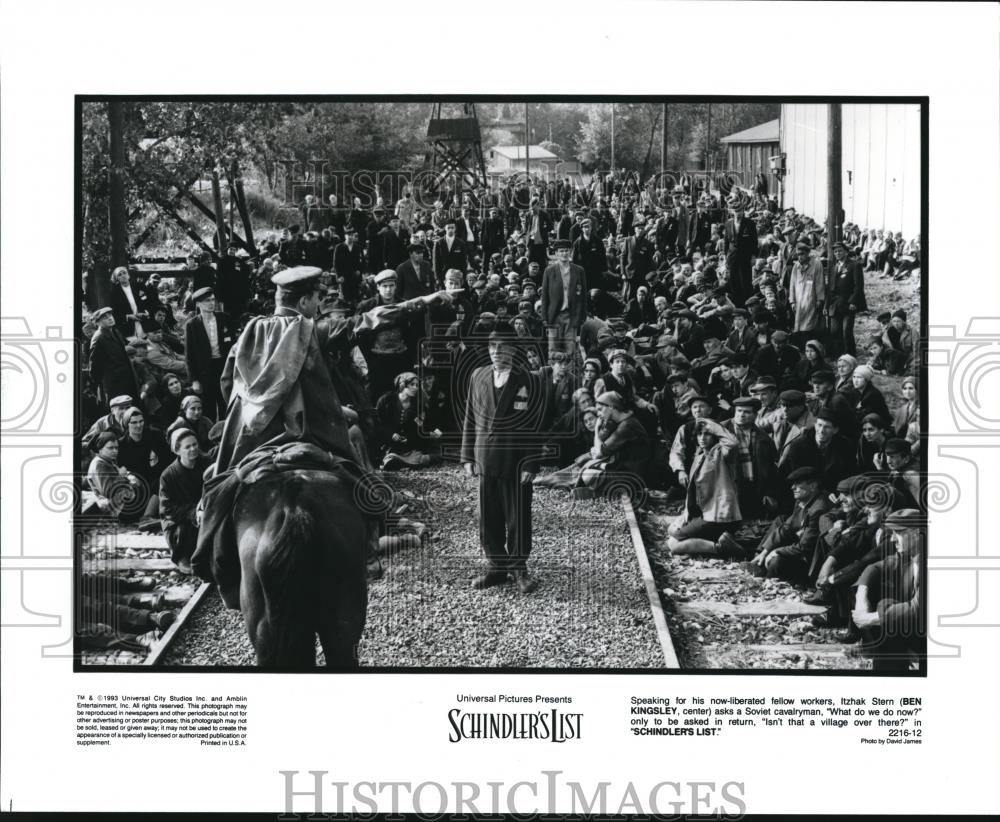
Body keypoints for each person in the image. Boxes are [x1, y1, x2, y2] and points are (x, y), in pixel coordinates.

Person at [461, 327, 549, 593]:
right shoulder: (478, 376)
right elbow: (470, 417)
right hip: (485, 458)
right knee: (488, 516)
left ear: (513, 350)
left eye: (503, 347)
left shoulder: (529, 380)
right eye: (492, 347)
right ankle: (497, 567)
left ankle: (519, 567)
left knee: (517, 517)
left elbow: (537, 426)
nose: (497, 352)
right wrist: (467, 455)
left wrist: (531, 463)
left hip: (515, 460)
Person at [851, 508, 925, 671]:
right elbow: (876, 568)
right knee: (885, 603)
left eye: (897, 533)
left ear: (916, 533)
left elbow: (917, 609)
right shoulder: (911, 554)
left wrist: (871, 618)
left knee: (888, 613)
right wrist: (861, 594)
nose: (892, 539)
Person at [667, 417, 742, 555]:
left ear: (715, 436)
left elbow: (732, 443)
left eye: (707, 434)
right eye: (699, 434)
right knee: (672, 534)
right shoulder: (699, 456)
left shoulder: (722, 453)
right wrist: (686, 516)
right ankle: (721, 542)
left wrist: (714, 426)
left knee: (675, 544)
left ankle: (722, 549)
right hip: (705, 515)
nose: (702, 438)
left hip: (720, 517)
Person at [745, 466, 831, 582]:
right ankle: (759, 559)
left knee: (777, 561)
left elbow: (804, 548)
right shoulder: (803, 500)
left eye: (798, 484)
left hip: (811, 563)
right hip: (801, 549)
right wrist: (766, 551)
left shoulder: (819, 508)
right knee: (780, 521)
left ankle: (769, 582)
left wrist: (776, 551)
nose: (792, 487)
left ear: (813, 486)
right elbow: (786, 527)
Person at [576, 390, 650, 498]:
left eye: (600, 410)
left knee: (588, 474)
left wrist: (596, 429)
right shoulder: (623, 422)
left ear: (611, 406)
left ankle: (597, 493)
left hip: (634, 476)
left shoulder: (627, 427)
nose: (599, 414)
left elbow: (600, 452)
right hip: (626, 470)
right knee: (586, 464)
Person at [159, 429, 211, 575]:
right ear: (177, 450)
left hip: (206, 512)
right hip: (179, 521)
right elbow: (168, 509)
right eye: (187, 447)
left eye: (195, 445)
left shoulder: (207, 463)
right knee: (182, 532)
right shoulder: (168, 476)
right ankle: (183, 557)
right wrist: (194, 512)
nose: (193, 449)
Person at [374, 371, 440, 470]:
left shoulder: (418, 406)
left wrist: (409, 438)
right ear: (402, 385)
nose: (415, 388)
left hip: (409, 447)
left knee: (421, 456)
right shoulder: (386, 401)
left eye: (417, 385)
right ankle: (393, 460)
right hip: (388, 444)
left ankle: (401, 461)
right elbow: (378, 424)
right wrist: (391, 434)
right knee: (385, 456)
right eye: (412, 384)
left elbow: (421, 428)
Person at [184, 287, 231, 421]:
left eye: (212, 300)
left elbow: (234, 345)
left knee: (226, 404)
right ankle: (209, 437)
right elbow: (189, 355)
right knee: (208, 406)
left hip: (224, 367)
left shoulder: (224, 318)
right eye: (206, 301)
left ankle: (226, 435)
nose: (211, 303)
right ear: (198, 304)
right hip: (205, 371)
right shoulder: (192, 325)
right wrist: (194, 380)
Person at [540, 239, 588, 359]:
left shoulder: (579, 271)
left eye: (567, 251)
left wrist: (582, 316)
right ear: (556, 254)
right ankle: (553, 375)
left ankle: (569, 375)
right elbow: (545, 296)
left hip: (571, 316)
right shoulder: (549, 271)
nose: (564, 253)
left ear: (571, 252)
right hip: (554, 316)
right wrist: (545, 317)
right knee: (553, 350)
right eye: (561, 251)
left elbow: (583, 296)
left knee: (570, 349)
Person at [88, 307, 140, 406]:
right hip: (114, 385)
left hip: (127, 379)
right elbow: (94, 368)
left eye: (110, 315)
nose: (110, 318)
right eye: (105, 318)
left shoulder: (115, 332)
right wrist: (104, 383)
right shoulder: (99, 338)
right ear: (97, 323)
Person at [116, 406, 170, 496]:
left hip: (158, 481)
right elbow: (121, 469)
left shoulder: (155, 435)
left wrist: (157, 459)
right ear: (127, 424)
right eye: (134, 422)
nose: (139, 425)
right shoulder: (121, 444)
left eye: (141, 421)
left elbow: (168, 459)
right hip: (137, 486)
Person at [826, 241, 866, 356]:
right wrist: (826, 305)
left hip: (848, 303)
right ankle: (839, 354)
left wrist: (853, 301)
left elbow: (858, 286)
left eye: (840, 251)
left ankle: (850, 354)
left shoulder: (854, 265)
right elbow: (829, 288)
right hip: (835, 304)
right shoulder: (833, 267)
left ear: (846, 252)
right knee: (834, 331)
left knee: (846, 331)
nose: (837, 253)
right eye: (835, 252)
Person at [788, 242, 825, 347]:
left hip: (810, 299)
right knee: (799, 324)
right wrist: (792, 301)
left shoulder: (816, 264)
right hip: (799, 301)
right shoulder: (796, 266)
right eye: (798, 254)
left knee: (809, 324)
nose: (800, 257)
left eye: (802, 254)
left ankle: (810, 346)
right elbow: (792, 285)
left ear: (808, 253)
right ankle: (801, 347)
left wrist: (820, 299)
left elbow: (819, 282)